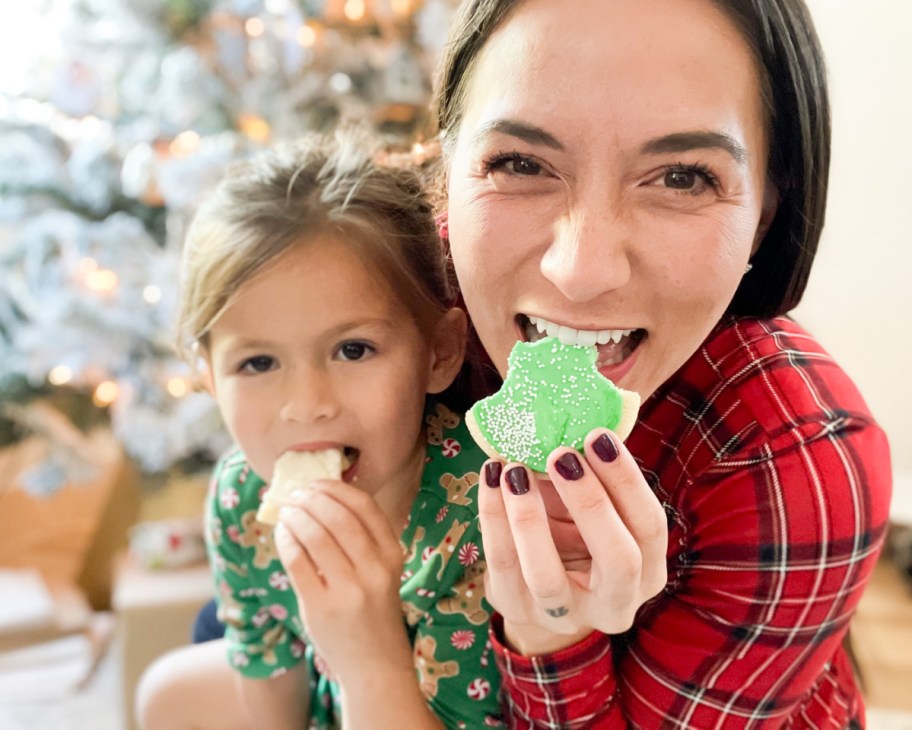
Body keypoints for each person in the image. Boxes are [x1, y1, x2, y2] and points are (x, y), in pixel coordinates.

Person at [431, 0, 893, 727]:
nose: (580, 271)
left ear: (764, 217)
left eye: (682, 177)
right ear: (447, 175)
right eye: (520, 163)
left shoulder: (797, 455)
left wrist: (553, 634)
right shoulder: (390, 315)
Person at [135, 130, 504, 730]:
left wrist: (365, 649)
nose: (306, 406)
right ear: (207, 376)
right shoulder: (242, 499)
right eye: (258, 363)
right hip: (325, 699)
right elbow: (268, 685)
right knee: (164, 693)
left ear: (439, 352)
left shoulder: (481, 518)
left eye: (352, 349)